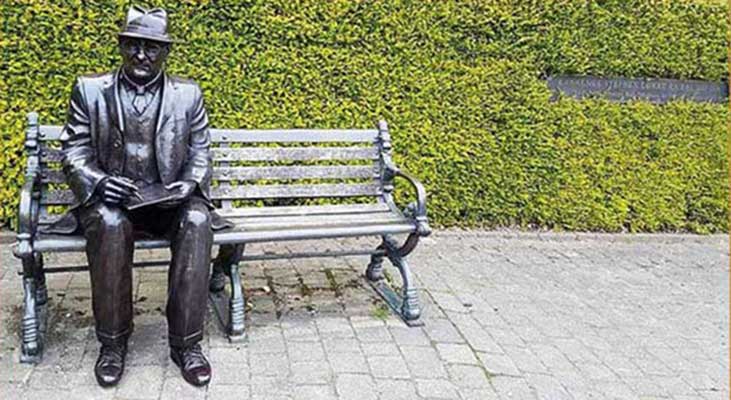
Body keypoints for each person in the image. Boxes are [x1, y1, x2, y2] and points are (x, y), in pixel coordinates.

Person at [54, 5, 226, 387]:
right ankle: (113, 343)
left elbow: (201, 151)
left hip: (168, 200)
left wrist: (189, 184)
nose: (142, 56)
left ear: (166, 52)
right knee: (112, 223)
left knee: (198, 220)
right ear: (121, 46)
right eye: (133, 46)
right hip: (113, 200)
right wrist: (98, 181)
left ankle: (187, 344)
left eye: (151, 48)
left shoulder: (188, 94)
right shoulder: (90, 90)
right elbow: (73, 150)